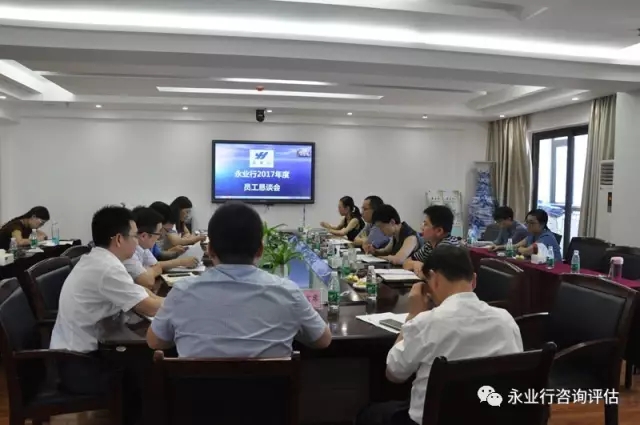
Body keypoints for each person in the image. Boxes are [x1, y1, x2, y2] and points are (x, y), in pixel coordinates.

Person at [356, 245, 523, 425]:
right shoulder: (507, 321)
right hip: (491, 418)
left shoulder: (427, 322)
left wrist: (413, 315)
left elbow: (394, 372)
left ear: (434, 279)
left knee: (369, 414)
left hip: (431, 420)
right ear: (474, 280)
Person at [147, 201, 332, 357]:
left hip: (196, 391)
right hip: (269, 391)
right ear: (260, 250)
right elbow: (323, 340)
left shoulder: (182, 292)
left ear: (210, 250)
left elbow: (155, 341)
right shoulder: (287, 292)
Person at [50, 206, 163, 403]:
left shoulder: (99, 259)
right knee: (154, 370)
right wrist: (189, 301)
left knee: (148, 359)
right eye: (134, 236)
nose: (137, 242)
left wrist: (178, 298)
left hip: (78, 356)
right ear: (119, 239)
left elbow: (143, 293)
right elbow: (149, 307)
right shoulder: (107, 268)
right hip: (81, 367)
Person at [123, 207, 200, 290]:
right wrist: (150, 271)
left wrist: (149, 271)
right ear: (144, 236)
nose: (159, 236)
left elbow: (158, 266)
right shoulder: (129, 251)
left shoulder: (143, 248)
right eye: (158, 233)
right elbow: (148, 282)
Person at [402, 205, 460, 275]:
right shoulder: (430, 244)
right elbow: (406, 263)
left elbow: (435, 276)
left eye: (425, 224)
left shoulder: (448, 247)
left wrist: (421, 269)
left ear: (439, 231)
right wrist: (414, 264)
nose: (421, 228)